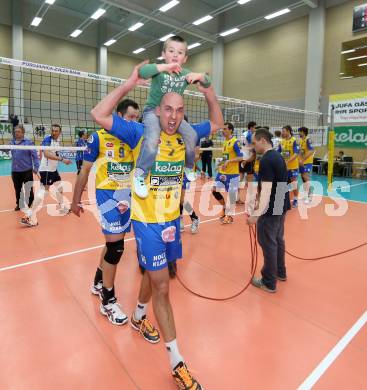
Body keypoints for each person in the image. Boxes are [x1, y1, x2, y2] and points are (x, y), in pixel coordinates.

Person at [90, 61, 222, 390]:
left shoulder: (186, 136)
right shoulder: (140, 132)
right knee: (163, 286)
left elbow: (218, 122)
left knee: (153, 275)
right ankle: (177, 361)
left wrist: (209, 92)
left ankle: (137, 315)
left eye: (179, 110)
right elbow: (99, 115)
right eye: (167, 110)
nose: (174, 116)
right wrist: (129, 82)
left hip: (171, 222)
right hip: (146, 222)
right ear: (157, 110)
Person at [71, 99, 146, 327]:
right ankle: (108, 300)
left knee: (114, 241)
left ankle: (97, 281)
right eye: (130, 117)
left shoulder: (136, 139)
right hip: (107, 197)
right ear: (119, 116)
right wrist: (75, 200)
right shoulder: (98, 138)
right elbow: (84, 170)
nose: (134, 122)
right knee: (116, 248)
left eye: (136, 118)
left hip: (127, 196)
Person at [133, 35, 211, 198]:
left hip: (173, 116)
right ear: (164, 53)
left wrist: (199, 76)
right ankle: (139, 175)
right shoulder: (158, 70)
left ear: (185, 58)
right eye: (171, 51)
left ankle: (189, 166)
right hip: (153, 112)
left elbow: (207, 82)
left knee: (192, 135)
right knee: (152, 137)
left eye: (180, 52)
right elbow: (142, 71)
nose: (175, 55)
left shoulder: (185, 74)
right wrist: (164, 67)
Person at [247, 128, 290, 293]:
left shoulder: (266, 160)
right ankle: (280, 272)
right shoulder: (277, 156)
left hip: (272, 206)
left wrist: (256, 215)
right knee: (278, 239)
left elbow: (266, 190)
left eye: (254, 142)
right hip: (281, 202)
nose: (253, 146)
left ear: (263, 140)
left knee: (268, 242)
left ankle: (269, 282)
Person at [20, 124, 72, 227]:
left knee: (59, 187)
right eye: (53, 130)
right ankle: (28, 215)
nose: (54, 132)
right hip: (47, 170)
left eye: (56, 131)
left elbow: (54, 153)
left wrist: (61, 157)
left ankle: (62, 207)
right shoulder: (48, 139)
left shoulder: (58, 141)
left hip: (53, 170)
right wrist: (62, 160)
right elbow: (46, 154)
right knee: (44, 191)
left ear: (60, 132)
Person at [212, 122, 243, 224]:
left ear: (230, 130)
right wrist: (220, 165)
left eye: (225, 129)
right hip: (223, 172)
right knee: (214, 190)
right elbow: (226, 157)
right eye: (223, 129)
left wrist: (229, 162)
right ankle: (224, 207)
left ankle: (229, 216)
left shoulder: (235, 142)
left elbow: (241, 157)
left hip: (232, 173)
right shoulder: (225, 142)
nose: (223, 131)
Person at [10, 125, 40, 211]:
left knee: (28, 188)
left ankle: (31, 203)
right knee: (17, 188)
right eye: (15, 132)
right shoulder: (12, 142)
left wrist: (36, 167)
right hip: (15, 170)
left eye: (18, 131)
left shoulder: (28, 142)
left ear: (23, 133)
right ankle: (19, 204)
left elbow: (35, 156)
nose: (16, 133)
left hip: (27, 170)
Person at [278, 125, 300, 208]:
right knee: (283, 182)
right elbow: (278, 151)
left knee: (293, 182)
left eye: (283, 131)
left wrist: (288, 161)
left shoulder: (294, 140)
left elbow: (296, 153)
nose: (282, 132)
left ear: (288, 131)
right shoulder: (282, 141)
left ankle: (295, 199)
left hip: (293, 166)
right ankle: (283, 200)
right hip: (284, 166)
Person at [238, 121, 256, 204]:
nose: (255, 129)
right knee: (250, 180)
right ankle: (251, 199)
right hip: (248, 158)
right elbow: (253, 146)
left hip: (241, 156)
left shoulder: (243, 133)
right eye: (255, 127)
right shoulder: (250, 135)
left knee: (240, 178)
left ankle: (236, 198)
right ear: (251, 127)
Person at [298, 127, 315, 203]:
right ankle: (306, 195)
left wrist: (303, 159)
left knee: (306, 178)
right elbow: (301, 152)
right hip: (301, 162)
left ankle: (310, 196)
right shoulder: (301, 140)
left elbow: (311, 150)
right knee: (303, 179)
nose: (299, 133)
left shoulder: (308, 139)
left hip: (307, 162)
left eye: (300, 132)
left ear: (303, 132)